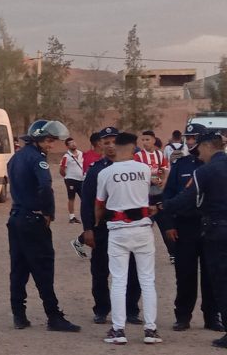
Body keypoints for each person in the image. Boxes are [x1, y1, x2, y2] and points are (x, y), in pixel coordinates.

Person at [6, 119, 79, 331]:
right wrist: (48, 212)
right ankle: (54, 316)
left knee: (18, 268)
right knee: (43, 268)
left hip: (16, 218)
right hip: (33, 220)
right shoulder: (38, 160)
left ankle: (19, 315)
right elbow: (46, 186)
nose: (51, 145)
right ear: (38, 139)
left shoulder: (15, 158)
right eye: (48, 141)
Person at [95, 132, 162, 345]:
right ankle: (150, 330)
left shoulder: (105, 173)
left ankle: (118, 330)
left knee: (118, 281)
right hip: (142, 228)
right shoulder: (144, 169)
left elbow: (99, 204)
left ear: (116, 146)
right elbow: (155, 189)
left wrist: (97, 223)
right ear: (133, 148)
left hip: (118, 230)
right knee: (147, 280)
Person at [163, 130, 227, 349]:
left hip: (213, 228)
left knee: (216, 279)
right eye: (189, 139)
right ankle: (183, 316)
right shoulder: (182, 165)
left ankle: (214, 318)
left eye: (196, 141)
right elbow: (170, 192)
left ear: (206, 145)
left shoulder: (206, 169)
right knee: (186, 274)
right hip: (188, 228)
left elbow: (183, 198)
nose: (193, 145)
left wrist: (159, 208)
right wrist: (169, 223)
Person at [78, 126, 143, 324]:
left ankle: (131, 310)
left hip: (127, 226)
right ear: (101, 145)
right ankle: (101, 309)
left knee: (132, 269)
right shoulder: (96, 170)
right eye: (106, 143)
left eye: (114, 142)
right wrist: (88, 229)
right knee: (100, 270)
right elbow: (87, 201)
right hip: (103, 228)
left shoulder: (133, 168)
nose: (111, 146)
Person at [136, 130, 173, 262]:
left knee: (164, 223)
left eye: (147, 139)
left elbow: (164, 169)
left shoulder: (159, 154)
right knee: (145, 224)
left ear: (153, 140)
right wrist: (152, 178)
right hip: (145, 195)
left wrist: (163, 180)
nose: (145, 142)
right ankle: (141, 252)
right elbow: (138, 172)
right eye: (143, 140)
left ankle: (172, 253)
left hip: (158, 193)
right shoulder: (138, 156)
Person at [60, 138, 85, 224]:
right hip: (71, 180)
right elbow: (62, 169)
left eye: (74, 142)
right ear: (67, 146)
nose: (73, 144)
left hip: (81, 179)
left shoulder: (81, 153)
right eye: (70, 143)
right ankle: (72, 217)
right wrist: (67, 176)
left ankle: (85, 215)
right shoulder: (66, 157)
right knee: (71, 198)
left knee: (84, 198)